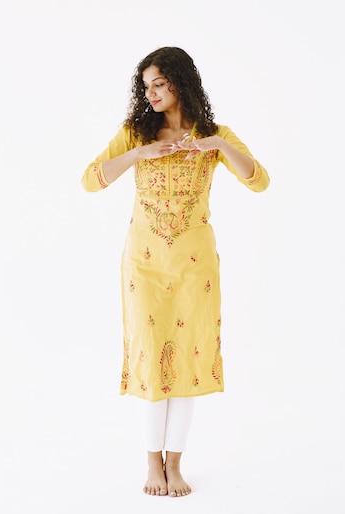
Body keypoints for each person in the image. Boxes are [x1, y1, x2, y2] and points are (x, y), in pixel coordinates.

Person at [81, 46, 270, 497]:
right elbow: (90, 179)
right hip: (144, 264)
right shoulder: (135, 134)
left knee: (187, 357)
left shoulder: (212, 135)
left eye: (158, 85)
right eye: (145, 87)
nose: (151, 94)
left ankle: (176, 464)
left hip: (194, 266)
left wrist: (219, 146)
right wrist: (139, 154)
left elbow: (259, 180)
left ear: (180, 83)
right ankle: (152, 463)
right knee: (150, 355)